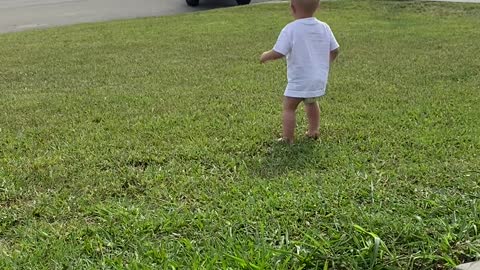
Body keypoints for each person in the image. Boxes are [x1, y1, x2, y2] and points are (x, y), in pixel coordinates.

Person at [260, 0, 340, 144]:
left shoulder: (291, 29)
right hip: (318, 78)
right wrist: (324, 63)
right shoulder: (324, 27)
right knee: (311, 102)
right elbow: (335, 50)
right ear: (318, 7)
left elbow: (278, 52)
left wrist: (266, 55)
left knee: (289, 107)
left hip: (299, 79)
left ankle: (288, 138)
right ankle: (313, 130)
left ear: (292, 7)